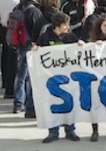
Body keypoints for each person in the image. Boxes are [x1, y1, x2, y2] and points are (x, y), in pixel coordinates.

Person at [34, 12, 81, 143]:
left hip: (67, 77)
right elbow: (38, 50)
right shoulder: (45, 37)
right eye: (65, 25)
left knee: (69, 102)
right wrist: (35, 49)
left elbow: (79, 48)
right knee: (51, 103)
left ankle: (70, 130)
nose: (67, 27)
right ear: (57, 25)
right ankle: (53, 132)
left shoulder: (70, 36)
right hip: (51, 78)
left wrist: (81, 45)